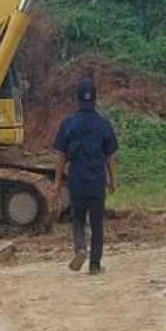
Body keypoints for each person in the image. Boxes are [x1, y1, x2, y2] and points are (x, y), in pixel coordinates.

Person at [53, 76, 118, 275]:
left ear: (78, 98)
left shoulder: (68, 124)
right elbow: (110, 156)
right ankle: (95, 265)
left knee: (78, 219)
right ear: (95, 98)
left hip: (77, 181)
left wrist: (56, 183)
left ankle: (80, 248)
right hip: (97, 181)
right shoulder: (103, 124)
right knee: (97, 224)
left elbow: (61, 156)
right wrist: (112, 180)